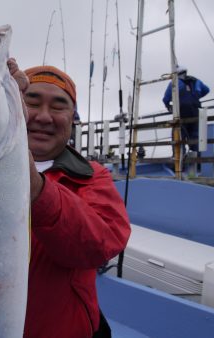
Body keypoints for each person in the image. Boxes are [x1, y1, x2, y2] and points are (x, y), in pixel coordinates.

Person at [8, 60, 131, 338]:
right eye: (31, 102)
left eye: (59, 105)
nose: (43, 116)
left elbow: (104, 243)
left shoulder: (91, 176)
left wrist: (38, 190)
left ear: (73, 118)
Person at [162, 65, 210, 153]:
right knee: (195, 138)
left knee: (178, 138)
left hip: (182, 113)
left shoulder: (175, 83)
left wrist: (168, 106)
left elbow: (166, 99)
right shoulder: (195, 81)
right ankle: (197, 161)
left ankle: (180, 162)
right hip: (196, 112)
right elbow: (207, 90)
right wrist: (197, 96)